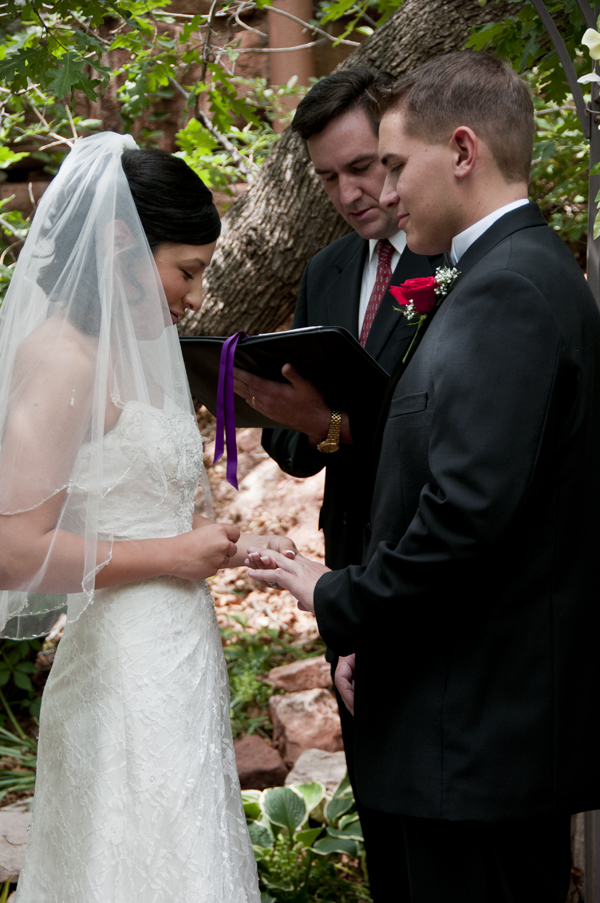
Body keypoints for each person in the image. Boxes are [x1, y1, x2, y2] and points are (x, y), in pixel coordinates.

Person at [247, 52, 600, 902]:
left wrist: (338, 596)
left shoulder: (507, 289)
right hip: (453, 711)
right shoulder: (500, 275)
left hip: (478, 735)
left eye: (396, 165)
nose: (389, 194)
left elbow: (464, 516)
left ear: (465, 151)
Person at [0, 131, 294, 903]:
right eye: (185, 270)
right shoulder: (61, 357)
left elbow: (149, 503)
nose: (194, 296)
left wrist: (218, 544)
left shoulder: (136, 348)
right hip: (122, 672)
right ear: (122, 247)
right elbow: (15, 549)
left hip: (180, 659)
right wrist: (172, 554)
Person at [237, 67, 442, 571]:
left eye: (361, 167)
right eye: (329, 178)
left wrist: (326, 421)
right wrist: (304, 420)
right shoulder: (324, 270)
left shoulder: (453, 257)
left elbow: (450, 428)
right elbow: (289, 447)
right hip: (347, 556)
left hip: (431, 549)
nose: (347, 195)